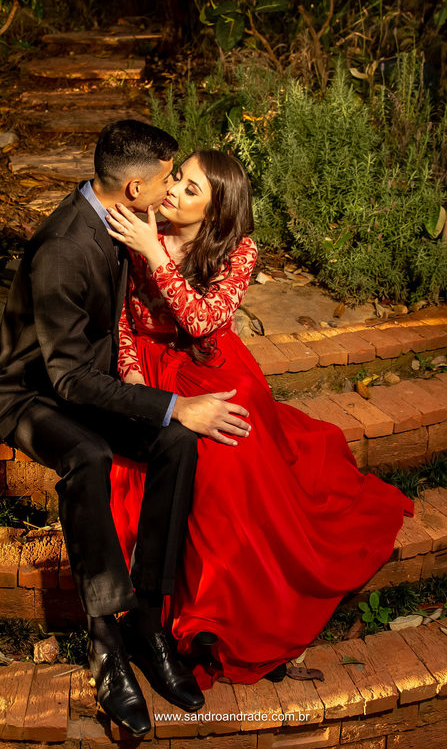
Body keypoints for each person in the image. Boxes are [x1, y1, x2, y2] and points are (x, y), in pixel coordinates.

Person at [0, 122, 253, 736]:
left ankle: (149, 624)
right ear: (133, 188)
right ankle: (106, 645)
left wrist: (167, 413)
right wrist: (171, 404)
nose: (169, 192)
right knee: (88, 455)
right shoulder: (62, 248)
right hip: (32, 394)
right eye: (165, 181)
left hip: (88, 377)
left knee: (178, 445)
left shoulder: (125, 222)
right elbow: (68, 382)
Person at [104, 149, 414, 687]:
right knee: (176, 462)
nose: (174, 190)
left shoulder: (238, 250)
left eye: (191, 189)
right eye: (178, 177)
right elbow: (121, 318)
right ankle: (185, 611)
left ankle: (223, 614)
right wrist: (131, 373)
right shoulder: (141, 223)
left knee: (233, 460)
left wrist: (156, 255)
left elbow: (204, 322)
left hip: (210, 364)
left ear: (217, 212)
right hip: (154, 370)